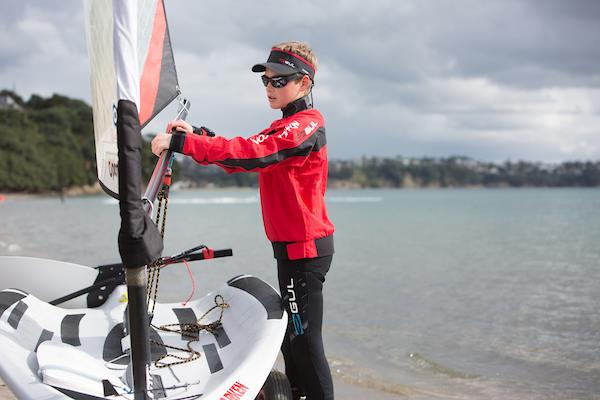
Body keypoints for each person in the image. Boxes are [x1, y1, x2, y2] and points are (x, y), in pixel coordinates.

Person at [151, 41, 335, 400]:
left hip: (306, 251)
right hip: (290, 249)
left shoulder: (307, 126)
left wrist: (184, 145)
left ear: (305, 84)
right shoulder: (283, 127)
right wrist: (198, 138)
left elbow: (253, 154)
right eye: (266, 80)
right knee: (292, 338)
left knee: (306, 342)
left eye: (279, 80)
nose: (270, 87)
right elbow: (241, 154)